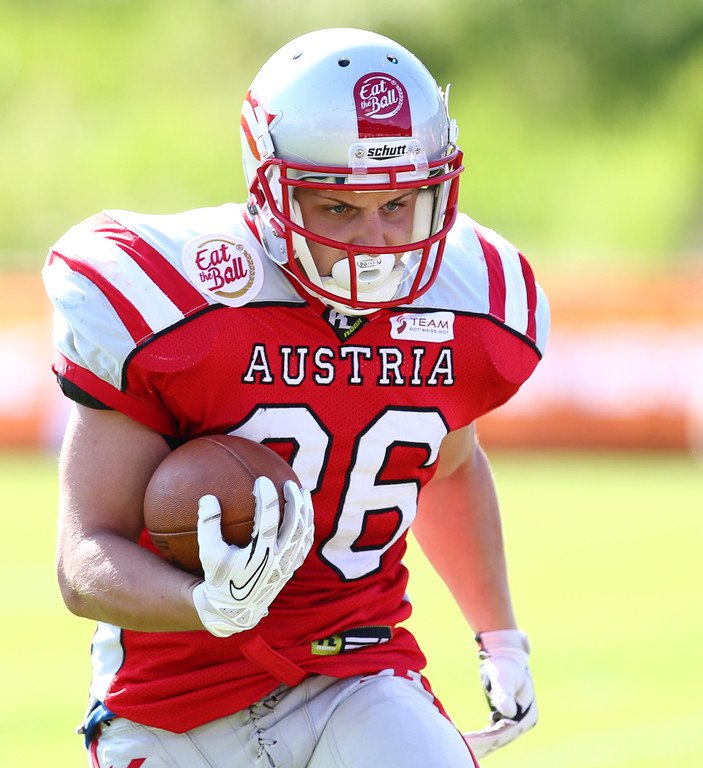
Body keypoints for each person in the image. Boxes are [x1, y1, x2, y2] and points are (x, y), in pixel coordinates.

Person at [43, 27, 549, 768]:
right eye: (337, 207)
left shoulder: (465, 300)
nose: (376, 240)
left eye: (399, 203)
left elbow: (448, 467)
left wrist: (499, 635)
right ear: (270, 189)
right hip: (172, 704)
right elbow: (86, 556)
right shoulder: (179, 302)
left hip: (357, 674)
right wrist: (201, 605)